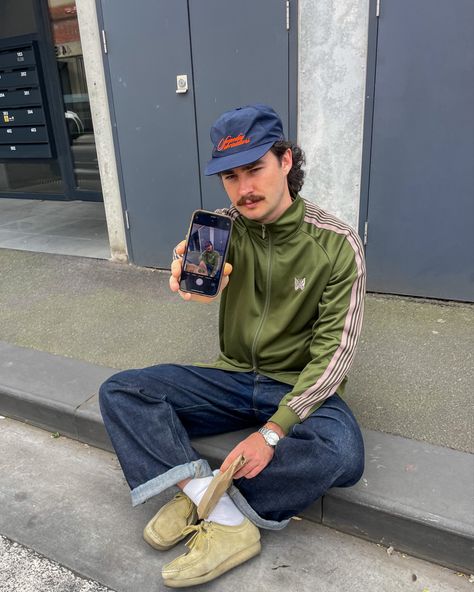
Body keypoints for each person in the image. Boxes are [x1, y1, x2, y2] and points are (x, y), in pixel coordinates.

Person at [99, 104, 366, 588]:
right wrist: (191, 274)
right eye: (230, 176)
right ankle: (212, 502)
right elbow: (199, 269)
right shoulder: (221, 229)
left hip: (296, 384)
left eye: (255, 169)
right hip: (233, 375)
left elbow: (336, 353)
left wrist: (272, 433)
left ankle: (215, 506)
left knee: (342, 453)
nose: (243, 189)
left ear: (285, 161)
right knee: (122, 391)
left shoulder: (336, 242)